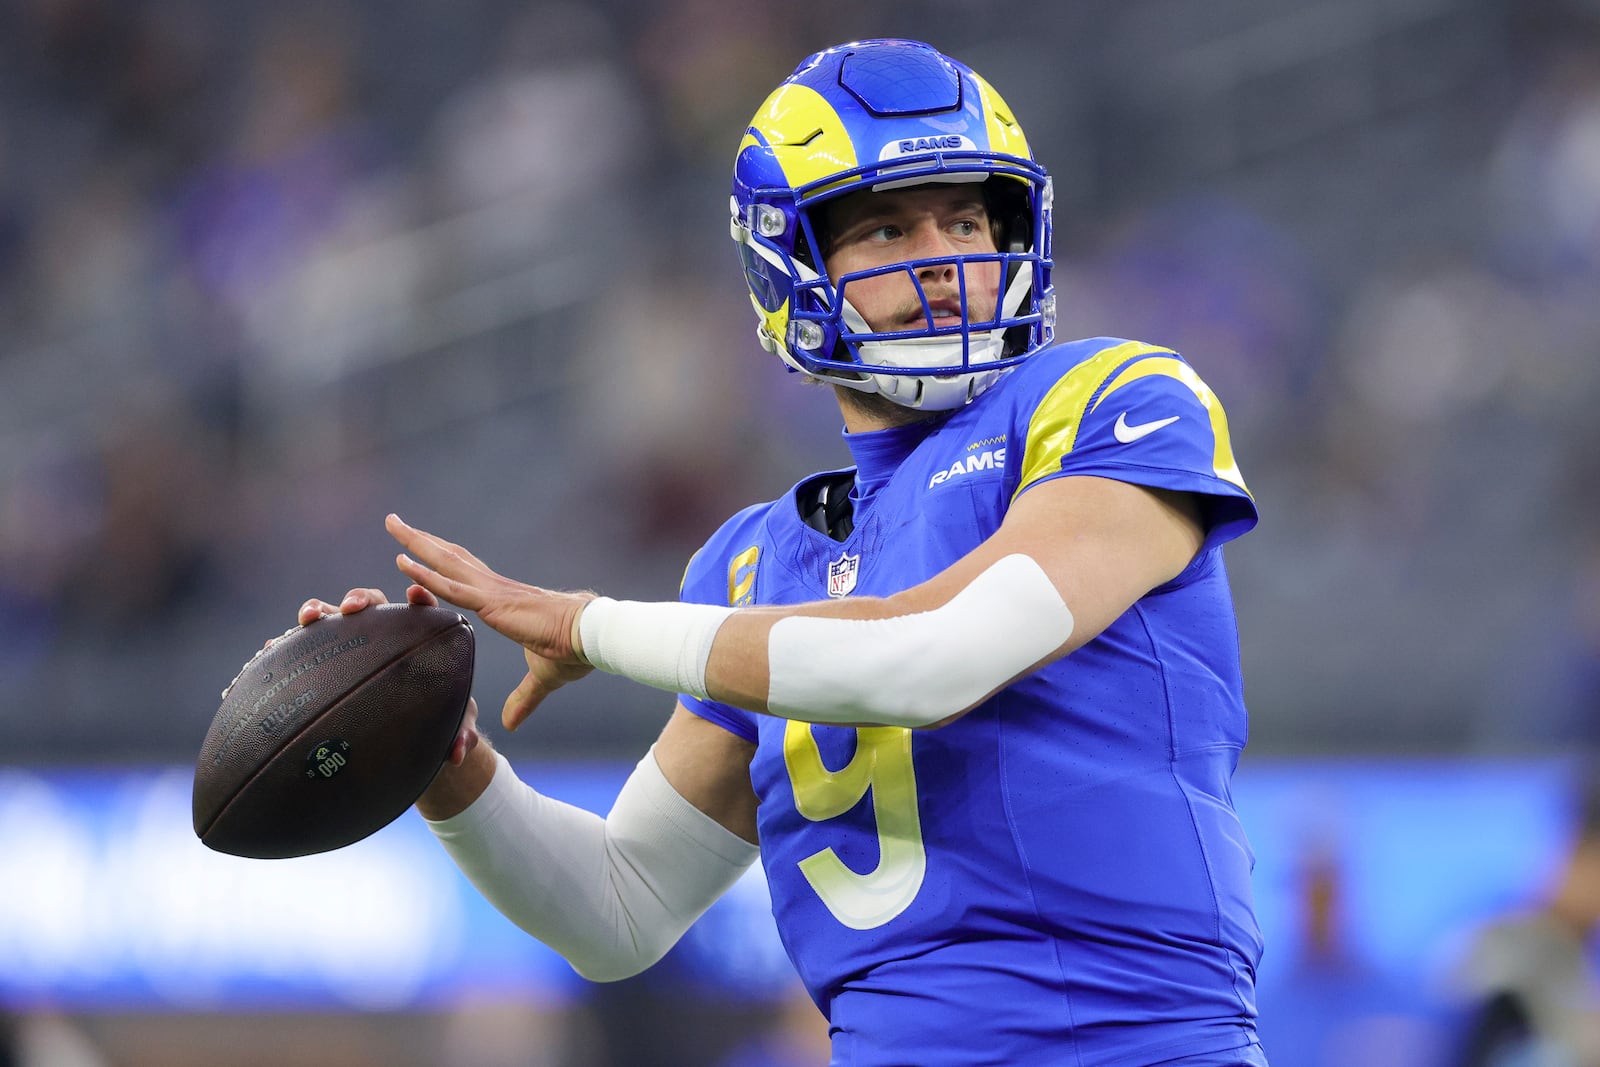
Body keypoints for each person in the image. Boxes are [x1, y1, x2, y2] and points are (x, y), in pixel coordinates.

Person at [298, 39, 1267, 1066]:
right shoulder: (755, 565)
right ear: (790, 265)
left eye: (968, 219)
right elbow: (617, 906)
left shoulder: (1109, 401)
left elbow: (930, 654)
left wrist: (592, 624)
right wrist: (444, 761)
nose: (942, 257)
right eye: (888, 225)